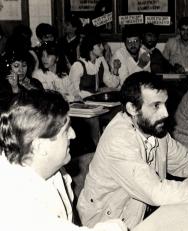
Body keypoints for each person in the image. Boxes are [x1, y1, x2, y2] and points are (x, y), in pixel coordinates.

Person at [77, 71, 188, 230]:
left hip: (141, 215)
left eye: (165, 104)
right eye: (156, 105)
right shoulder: (118, 141)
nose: (165, 113)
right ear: (132, 108)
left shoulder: (154, 129)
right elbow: (156, 192)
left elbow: (186, 161)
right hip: (110, 223)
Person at [0, 89, 127, 231]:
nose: (73, 135)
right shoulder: (16, 202)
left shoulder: (52, 169)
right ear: (40, 147)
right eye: (66, 131)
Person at [69, 33, 120, 99]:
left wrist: (116, 69)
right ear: (90, 47)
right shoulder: (78, 66)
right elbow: (73, 93)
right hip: (83, 104)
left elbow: (112, 84)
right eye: (99, 45)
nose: (102, 48)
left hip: (97, 101)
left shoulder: (101, 60)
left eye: (102, 44)